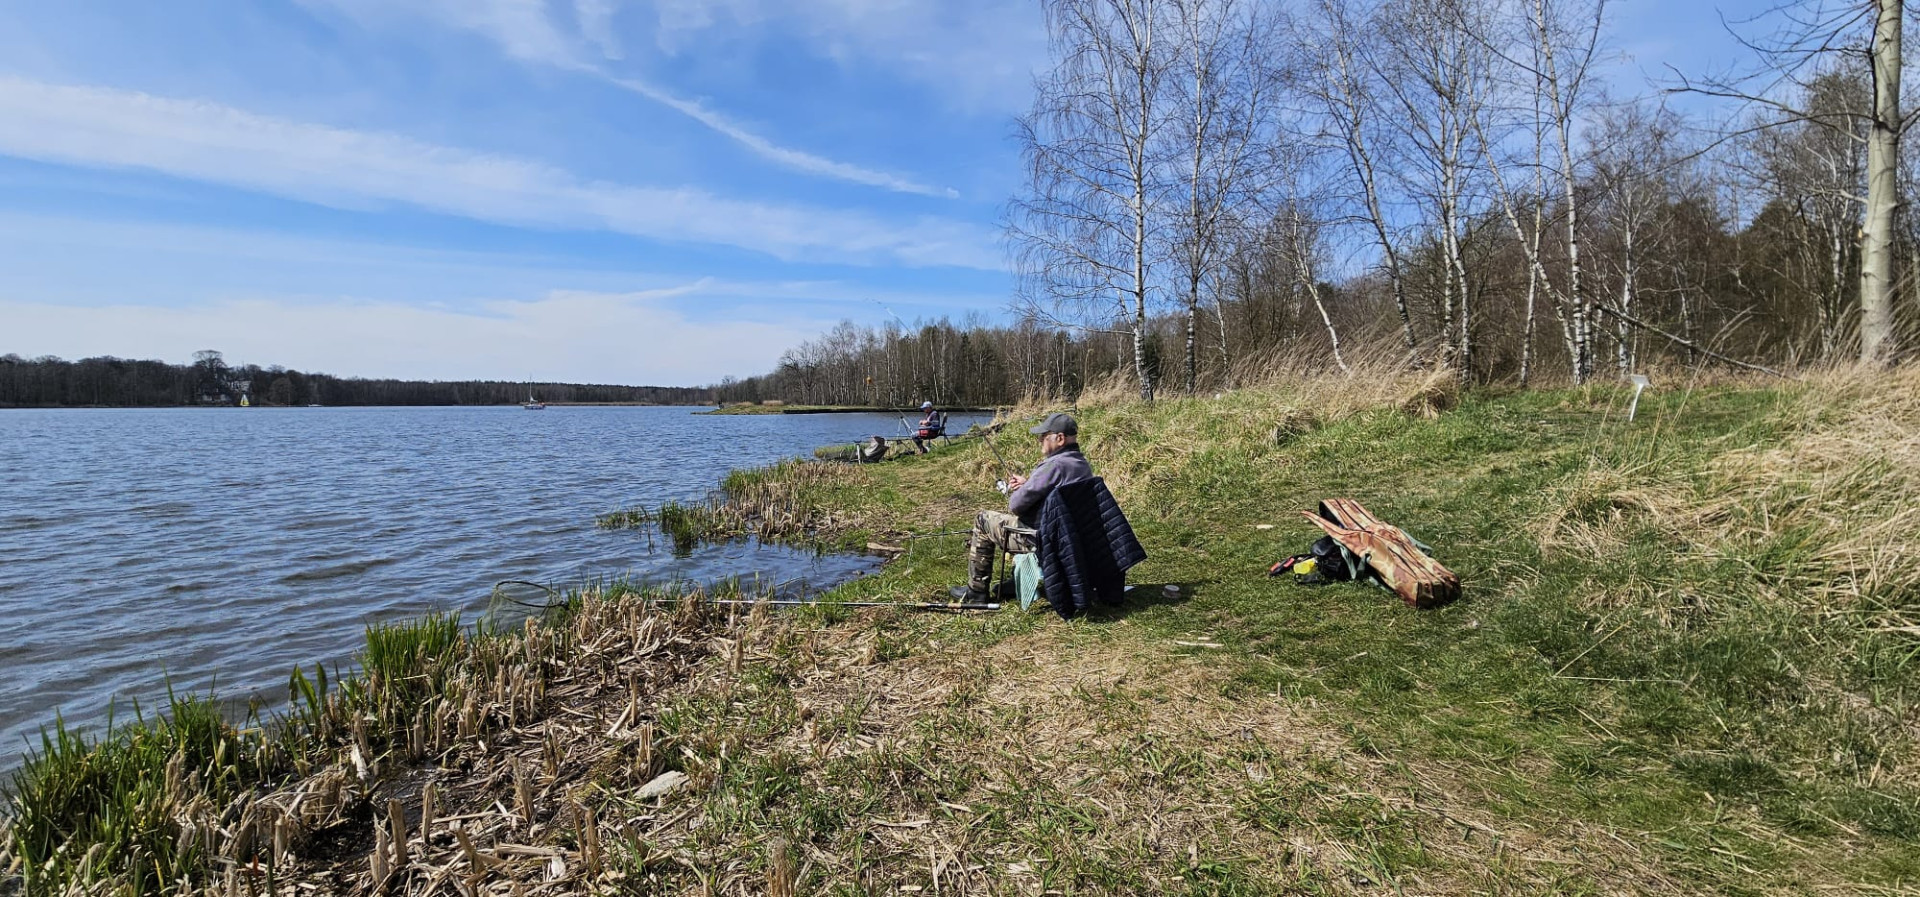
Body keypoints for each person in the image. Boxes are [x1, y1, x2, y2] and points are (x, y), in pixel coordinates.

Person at [950, 412, 1092, 603]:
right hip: (1070, 538)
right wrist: (1028, 484)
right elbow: (1056, 496)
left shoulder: (1053, 466)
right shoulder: (1081, 465)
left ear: (1059, 438)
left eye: (1044, 436)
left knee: (983, 519)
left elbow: (1015, 505)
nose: (1039, 440)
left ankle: (976, 591)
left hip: (1042, 539)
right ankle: (1017, 580)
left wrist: (1021, 490)